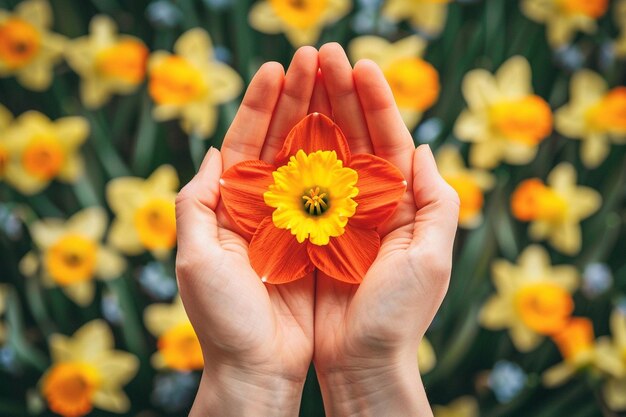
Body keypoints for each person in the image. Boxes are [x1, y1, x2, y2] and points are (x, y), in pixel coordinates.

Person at [174, 43, 460, 417]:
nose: (314, 202)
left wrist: (373, 369)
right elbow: (253, 218)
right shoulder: (277, 232)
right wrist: (247, 372)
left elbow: (387, 189)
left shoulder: (361, 204)